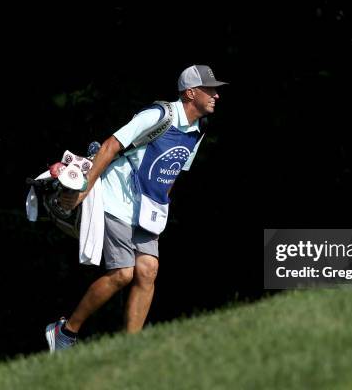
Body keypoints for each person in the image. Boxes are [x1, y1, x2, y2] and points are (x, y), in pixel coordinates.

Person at [45, 64, 228, 352]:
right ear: (191, 93)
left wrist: (159, 207)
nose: (216, 95)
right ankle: (65, 333)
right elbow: (109, 147)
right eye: (210, 89)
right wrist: (84, 190)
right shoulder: (158, 116)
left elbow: (174, 169)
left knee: (149, 269)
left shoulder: (198, 128)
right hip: (116, 197)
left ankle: (130, 352)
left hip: (147, 209)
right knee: (123, 274)